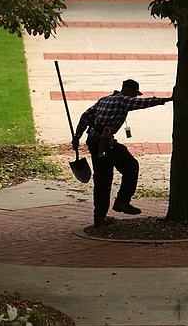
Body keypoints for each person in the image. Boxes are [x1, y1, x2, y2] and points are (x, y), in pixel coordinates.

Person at [72, 78, 173, 228]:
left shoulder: (104, 99)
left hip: (93, 141)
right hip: (104, 143)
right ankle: (122, 202)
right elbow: (144, 103)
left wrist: (77, 136)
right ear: (129, 91)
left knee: (102, 179)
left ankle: (99, 218)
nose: (134, 98)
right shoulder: (123, 101)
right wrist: (168, 99)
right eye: (134, 94)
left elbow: (85, 117)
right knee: (131, 166)